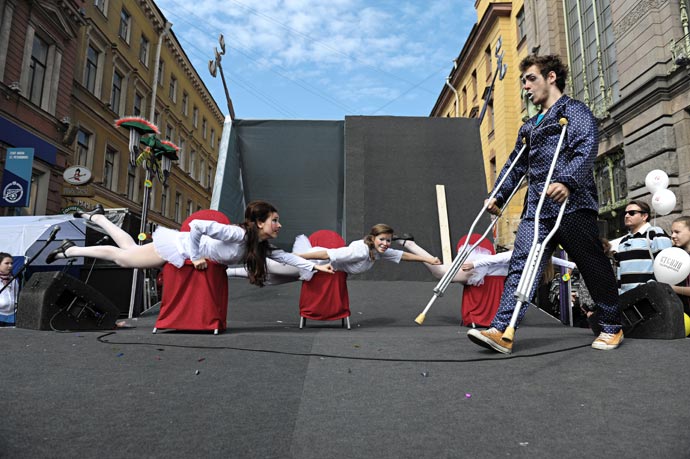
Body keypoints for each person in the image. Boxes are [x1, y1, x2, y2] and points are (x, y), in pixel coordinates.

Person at [467, 54, 622, 354]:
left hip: (572, 204)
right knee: (521, 265)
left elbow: (585, 147)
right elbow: (515, 164)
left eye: (531, 79)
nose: (525, 86)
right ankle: (502, 329)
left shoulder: (574, 111)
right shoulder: (529, 127)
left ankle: (612, 326)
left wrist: (567, 181)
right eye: (523, 81)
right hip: (537, 208)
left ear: (551, 77)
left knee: (591, 264)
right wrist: (498, 195)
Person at [46, 201, 334, 287]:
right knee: (125, 259)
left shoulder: (258, 246)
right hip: (180, 246)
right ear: (259, 223)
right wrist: (195, 256)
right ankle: (70, 250)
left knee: (129, 251)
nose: (279, 225)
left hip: (183, 249)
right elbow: (196, 226)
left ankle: (98, 219)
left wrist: (315, 267)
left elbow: (286, 258)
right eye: (275, 220)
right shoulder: (237, 235)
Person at [402, 236, 575, 327]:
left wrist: (475, 263)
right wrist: (573, 264)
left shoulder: (525, 253)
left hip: (479, 269)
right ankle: (410, 245)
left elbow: (499, 257)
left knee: (439, 272)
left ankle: (410, 245)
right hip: (480, 270)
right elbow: (556, 261)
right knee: (440, 272)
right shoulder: (536, 258)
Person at [226, 224, 441, 282]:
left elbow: (403, 256)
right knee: (268, 268)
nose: (385, 244)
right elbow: (327, 254)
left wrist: (427, 258)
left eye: (387, 240)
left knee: (270, 278)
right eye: (382, 240)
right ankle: (230, 269)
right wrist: (297, 259)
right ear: (373, 238)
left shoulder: (378, 251)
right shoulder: (360, 251)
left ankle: (230, 271)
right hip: (313, 261)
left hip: (320, 269)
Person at [614, 200, 672, 294]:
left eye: (632, 213)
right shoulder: (623, 241)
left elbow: (667, 266)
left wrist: (652, 287)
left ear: (644, 216)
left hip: (651, 296)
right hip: (627, 299)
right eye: (625, 213)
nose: (627, 216)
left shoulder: (655, 233)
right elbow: (620, 272)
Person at [669, 215, 690, 316]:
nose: (672, 236)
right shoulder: (672, 254)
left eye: (677, 232)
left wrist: (672, 288)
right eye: (672, 232)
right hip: (678, 315)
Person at [0, 253, 18, 326]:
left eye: (11, 263)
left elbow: (15, 295)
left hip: (12, 316)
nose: (10, 266)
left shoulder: (14, 280)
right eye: (7, 263)